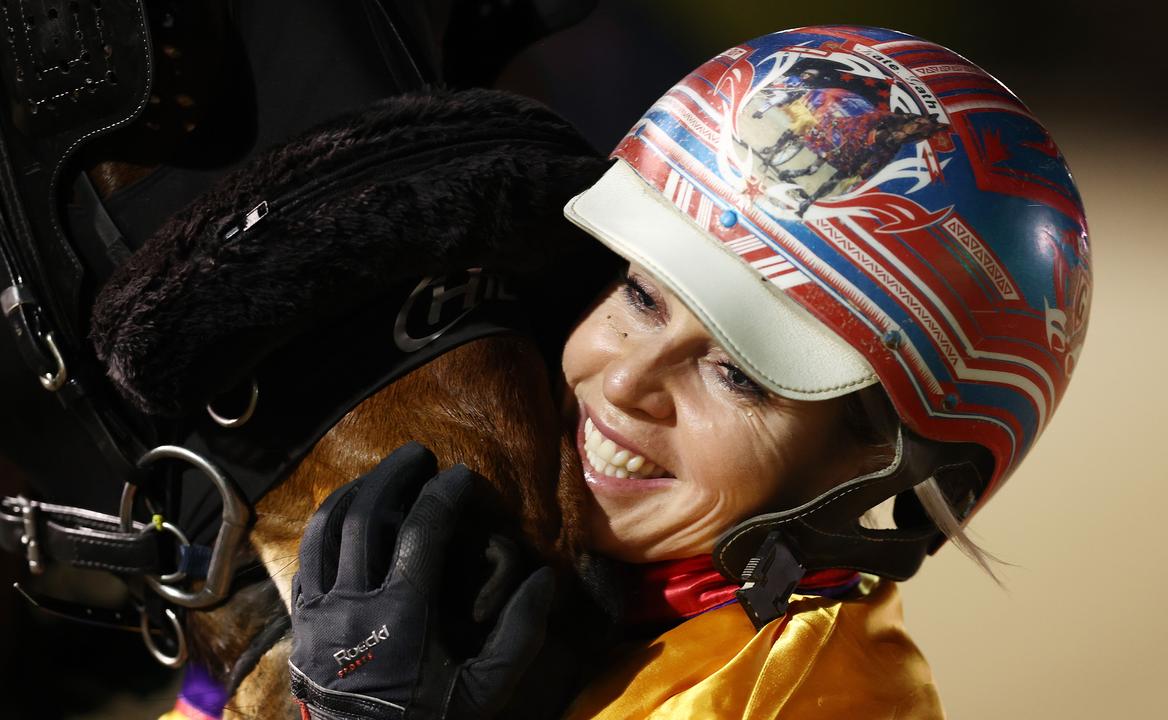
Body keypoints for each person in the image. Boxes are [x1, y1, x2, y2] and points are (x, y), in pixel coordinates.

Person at [286, 25, 1090, 719]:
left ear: (879, 466)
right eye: (640, 296)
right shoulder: (469, 556)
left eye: (737, 374)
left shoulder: (809, 694)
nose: (629, 377)